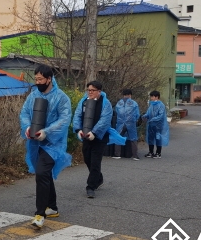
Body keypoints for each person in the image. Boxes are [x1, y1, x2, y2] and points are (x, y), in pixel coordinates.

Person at [20, 64, 71, 229]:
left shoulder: (62, 98)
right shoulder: (33, 96)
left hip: (54, 144)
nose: (37, 82)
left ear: (49, 79)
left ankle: (39, 214)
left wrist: (47, 132)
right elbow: (25, 113)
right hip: (35, 142)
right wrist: (28, 128)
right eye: (35, 79)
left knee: (41, 172)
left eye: (40, 79)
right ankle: (53, 207)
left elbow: (64, 119)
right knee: (44, 174)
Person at [73, 81, 125, 198]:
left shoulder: (105, 104)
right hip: (86, 135)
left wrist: (95, 133)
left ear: (99, 91)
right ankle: (98, 178)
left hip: (99, 137)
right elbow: (77, 116)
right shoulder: (84, 102)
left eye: (93, 90)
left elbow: (105, 121)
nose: (90, 92)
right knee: (87, 159)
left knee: (95, 161)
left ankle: (90, 186)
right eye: (88, 90)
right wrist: (78, 130)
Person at [112, 89, 140, 160]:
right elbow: (137, 114)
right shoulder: (134, 103)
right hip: (131, 123)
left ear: (123, 95)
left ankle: (117, 154)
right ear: (130, 95)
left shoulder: (119, 103)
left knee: (118, 137)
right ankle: (135, 156)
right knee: (133, 139)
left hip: (121, 123)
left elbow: (116, 112)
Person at [142, 90, 170, 159]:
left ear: (157, 97)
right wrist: (145, 116)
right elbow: (148, 113)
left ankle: (158, 153)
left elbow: (160, 116)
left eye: (152, 96)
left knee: (158, 138)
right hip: (151, 124)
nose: (151, 98)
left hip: (158, 125)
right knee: (150, 138)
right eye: (151, 96)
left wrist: (152, 119)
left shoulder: (161, 105)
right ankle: (151, 152)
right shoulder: (152, 105)